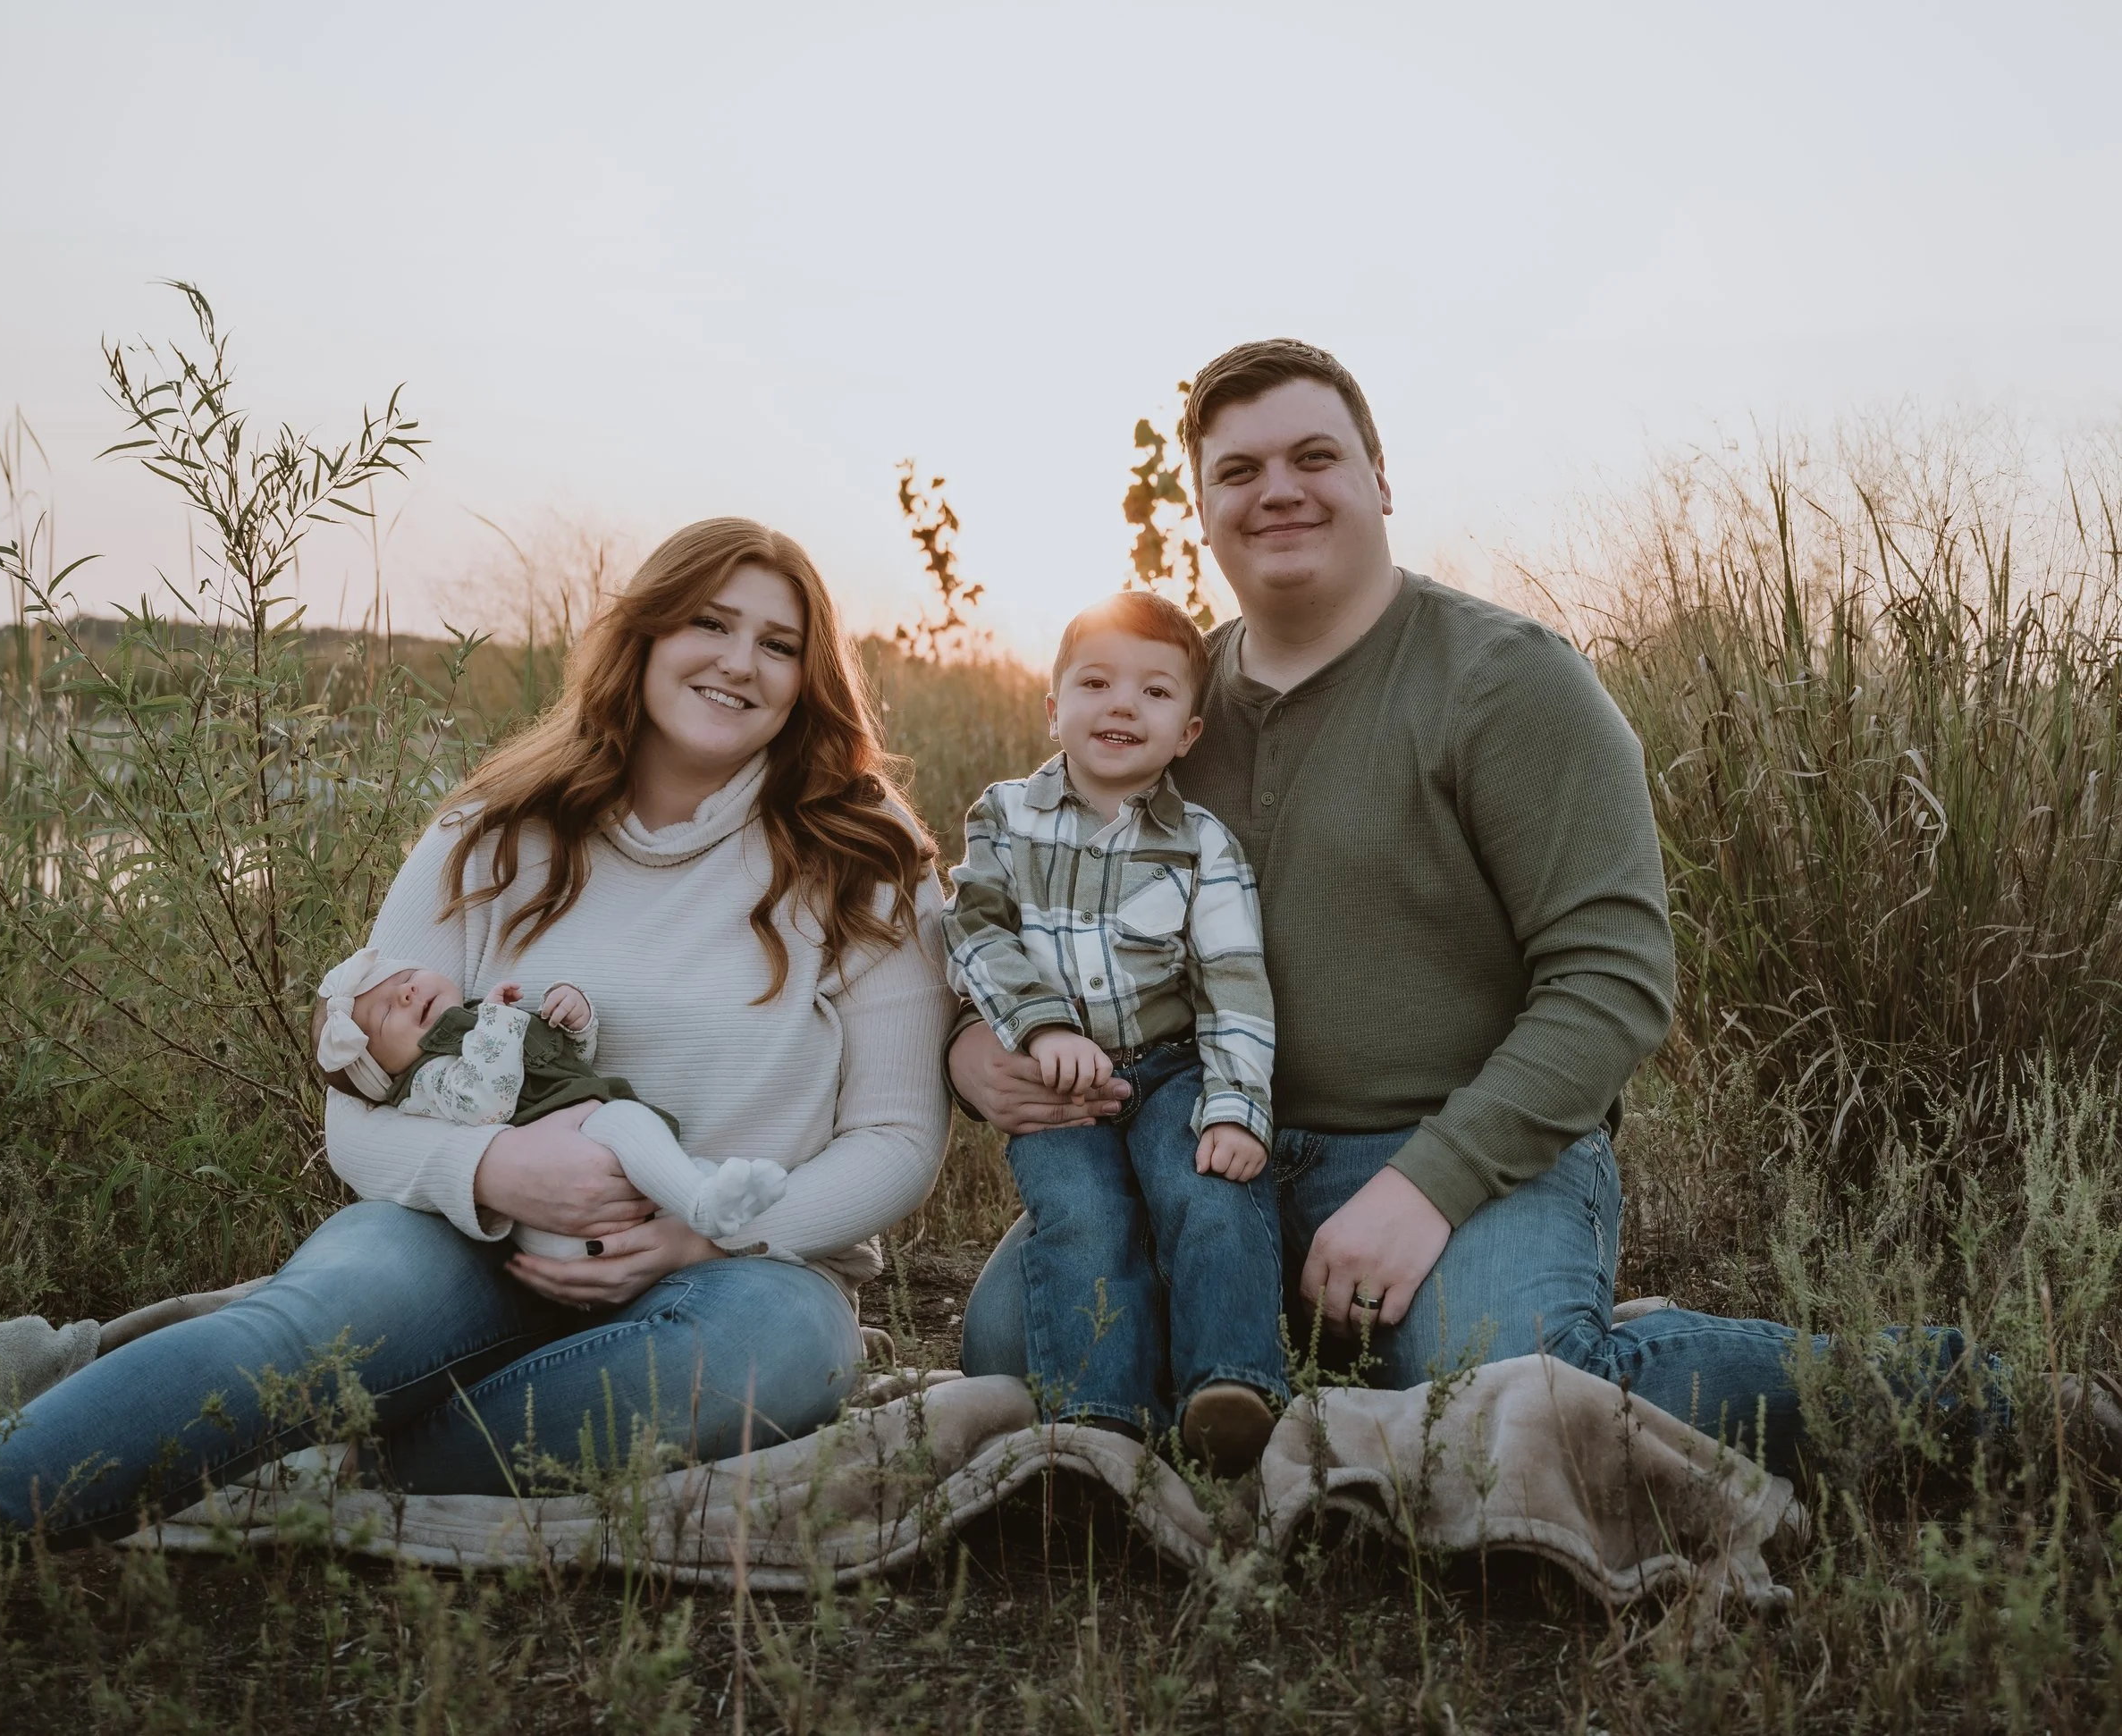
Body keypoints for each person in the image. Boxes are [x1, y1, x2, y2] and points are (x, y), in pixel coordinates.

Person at [952, 337, 2083, 1475]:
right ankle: (1330, 1344)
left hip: (1456, 1146)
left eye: (1314, 456)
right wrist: (972, 1052)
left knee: (1499, 1390)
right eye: (1238, 471)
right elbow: (1030, 905)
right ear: (1200, 504)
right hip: (1206, 1145)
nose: (1278, 489)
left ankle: (1969, 1400)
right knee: (1014, 1342)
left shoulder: (1505, 680)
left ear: (1379, 478)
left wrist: (1423, 1188)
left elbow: (1612, 981)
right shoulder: (1159, 699)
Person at [0, 518, 953, 1614]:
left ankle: (332, 1449)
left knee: (771, 1356)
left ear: (806, 681)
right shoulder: (492, 831)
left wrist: (699, 1230)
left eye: (779, 645)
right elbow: (356, 1114)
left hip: (743, 1279)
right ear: (641, 637)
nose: (740, 660)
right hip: (465, 1245)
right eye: (711, 622)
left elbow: (898, 1143)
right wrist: (495, 1171)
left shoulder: (863, 855)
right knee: (315, 1320)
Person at [943, 590, 1283, 1473]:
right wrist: (1041, 1027)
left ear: (1189, 733)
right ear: (1053, 707)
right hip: (1059, 1084)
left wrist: (1235, 1103)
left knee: (1209, 1189)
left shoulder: (1203, 845)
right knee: (1084, 1215)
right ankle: (1099, 1419)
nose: (1122, 704)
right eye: (1095, 682)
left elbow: (1235, 979)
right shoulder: (1006, 818)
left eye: (1155, 693)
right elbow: (974, 931)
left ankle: (1230, 1388)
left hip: (1171, 1070)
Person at [308, 953, 787, 1247]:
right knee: (623, 1120)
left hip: (589, 1149)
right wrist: (496, 1020)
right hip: (551, 1214)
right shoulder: (426, 1080)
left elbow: (560, 1071)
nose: (408, 992)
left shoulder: (477, 1021)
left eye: (403, 980)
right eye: (387, 1011)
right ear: (380, 1073)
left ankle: (713, 1196)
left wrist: (576, 1025)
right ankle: (703, 1203)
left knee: (643, 1143)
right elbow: (487, 1102)